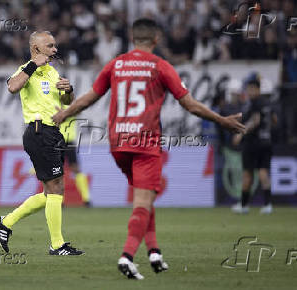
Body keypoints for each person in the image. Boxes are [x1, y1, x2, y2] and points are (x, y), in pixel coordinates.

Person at [52, 18, 245, 279]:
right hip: (145, 143)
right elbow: (191, 105)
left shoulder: (116, 64)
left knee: (145, 196)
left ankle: (154, 251)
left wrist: (65, 113)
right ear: (156, 40)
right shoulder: (160, 66)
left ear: (132, 39)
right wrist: (222, 121)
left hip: (118, 143)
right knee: (143, 200)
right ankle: (127, 256)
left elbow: (90, 97)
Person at [0, 31, 83, 256]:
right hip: (38, 131)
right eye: (50, 46)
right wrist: (32, 65)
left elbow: (65, 102)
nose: (54, 50)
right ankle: (57, 244)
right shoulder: (26, 70)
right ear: (36, 49)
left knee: (53, 190)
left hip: (53, 133)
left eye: (55, 46)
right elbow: (12, 87)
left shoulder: (52, 72)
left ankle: (6, 222)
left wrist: (68, 90)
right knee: (54, 189)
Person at [231, 77, 277, 214]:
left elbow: (255, 121)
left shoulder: (255, 103)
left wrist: (240, 134)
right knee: (263, 172)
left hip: (253, 143)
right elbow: (275, 120)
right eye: (248, 89)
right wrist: (266, 131)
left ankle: (244, 205)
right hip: (266, 142)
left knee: (247, 174)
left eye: (252, 89)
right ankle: (268, 205)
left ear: (258, 89)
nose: (249, 92)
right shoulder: (268, 103)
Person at [59, 115, 91, 207]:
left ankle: (86, 199)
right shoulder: (53, 106)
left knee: (76, 169)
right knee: (58, 171)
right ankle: (60, 200)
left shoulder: (71, 107)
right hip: (57, 141)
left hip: (69, 142)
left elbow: (77, 110)